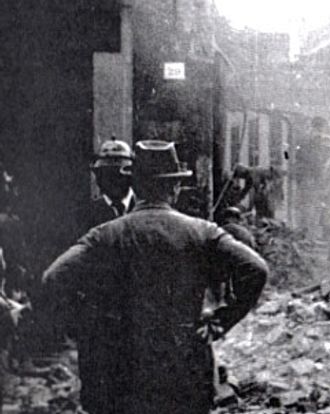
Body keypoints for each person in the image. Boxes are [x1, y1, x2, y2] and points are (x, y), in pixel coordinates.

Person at [43, 140, 268, 414]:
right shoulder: (203, 231)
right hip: (184, 366)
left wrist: (87, 326)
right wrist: (222, 320)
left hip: (118, 369)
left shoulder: (104, 235)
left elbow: (53, 278)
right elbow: (256, 268)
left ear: (135, 186)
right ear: (174, 188)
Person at [87, 138, 135, 229]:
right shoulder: (87, 213)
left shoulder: (144, 209)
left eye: (118, 175)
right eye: (107, 175)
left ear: (131, 176)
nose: (114, 181)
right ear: (98, 178)